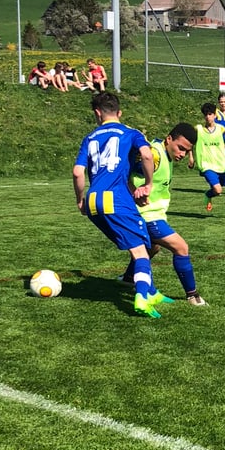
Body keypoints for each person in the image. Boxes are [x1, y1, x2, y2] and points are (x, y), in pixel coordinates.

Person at [72, 92, 169, 318]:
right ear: (120, 112)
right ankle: (143, 298)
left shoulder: (90, 137)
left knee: (140, 242)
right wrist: (148, 183)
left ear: (97, 113)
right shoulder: (131, 133)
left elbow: (78, 172)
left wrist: (80, 199)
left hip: (95, 200)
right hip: (116, 199)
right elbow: (146, 155)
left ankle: (152, 291)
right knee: (141, 251)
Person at [121, 123, 208, 306]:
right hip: (146, 215)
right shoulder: (154, 155)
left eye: (186, 151)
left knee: (153, 248)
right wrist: (134, 191)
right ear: (169, 139)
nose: (182, 154)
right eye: (180, 148)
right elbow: (125, 173)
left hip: (153, 214)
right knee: (181, 248)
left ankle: (129, 278)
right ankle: (193, 296)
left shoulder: (163, 152)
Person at [187, 102, 225, 220]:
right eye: (206, 114)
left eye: (210, 114)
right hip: (207, 166)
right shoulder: (198, 129)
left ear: (215, 116)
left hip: (222, 165)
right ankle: (208, 194)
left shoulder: (221, 129)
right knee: (218, 190)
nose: (208, 117)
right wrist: (191, 157)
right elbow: (189, 143)